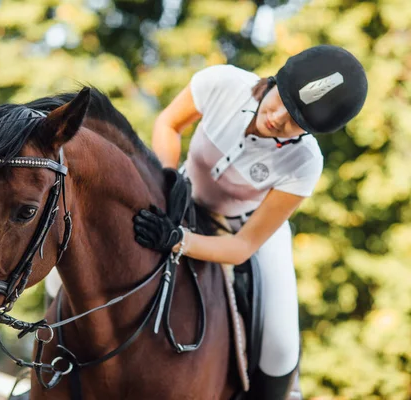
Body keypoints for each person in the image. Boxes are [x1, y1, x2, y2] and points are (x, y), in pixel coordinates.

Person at [132, 45, 368, 399]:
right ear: (273, 80)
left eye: (295, 123)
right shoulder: (221, 81)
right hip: (179, 195)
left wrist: (178, 240)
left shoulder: (305, 163)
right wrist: (165, 184)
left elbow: (242, 247)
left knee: (281, 345)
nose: (278, 120)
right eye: (281, 102)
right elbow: (169, 123)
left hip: (246, 230)